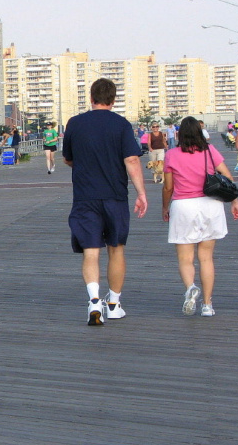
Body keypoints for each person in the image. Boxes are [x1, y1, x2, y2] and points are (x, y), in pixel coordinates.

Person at [62, 78, 147, 325]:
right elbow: (131, 160)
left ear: (91, 97)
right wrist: (141, 193)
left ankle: (94, 300)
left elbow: (68, 158)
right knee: (116, 248)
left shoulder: (75, 123)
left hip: (85, 196)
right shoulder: (121, 125)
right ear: (113, 99)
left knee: (91, 250)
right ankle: (114, 303)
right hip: (115, 195)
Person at [162, 116, 238, 317]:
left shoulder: (171, 155)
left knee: (185, 258)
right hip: (210, 204)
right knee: (206, 258)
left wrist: (165, 208)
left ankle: (190, 288)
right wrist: (234, 202)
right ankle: (207, 305)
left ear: (180, 135)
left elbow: (168, 187)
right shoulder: (210, 151)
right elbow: (228, 178)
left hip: (183, 206)